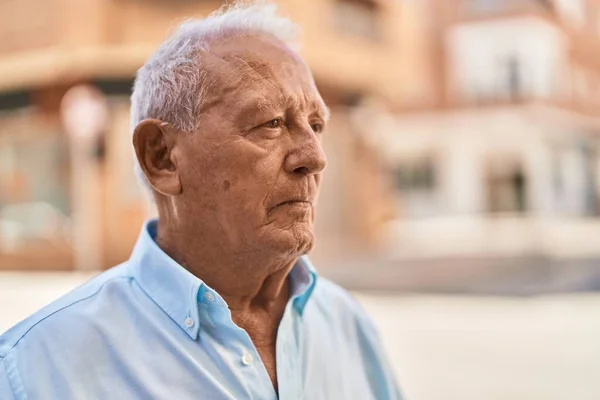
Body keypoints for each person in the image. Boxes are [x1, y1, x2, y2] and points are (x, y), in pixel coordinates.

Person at [0, 2, 402, 399]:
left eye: (316, 126)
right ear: (162, 157)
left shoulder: (346, 324)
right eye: (271, 124)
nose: (315, 157)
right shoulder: (39, 369)